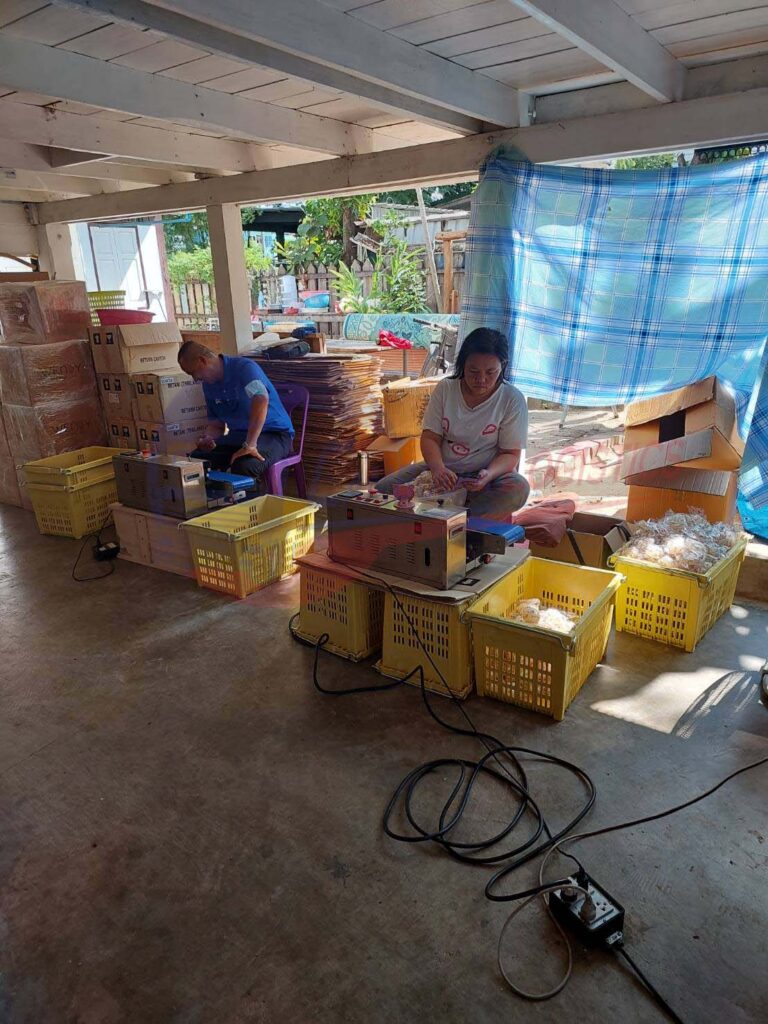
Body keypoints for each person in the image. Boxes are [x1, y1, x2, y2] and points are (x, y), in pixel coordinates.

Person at [376, 328, 529, 520]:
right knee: (381, 491)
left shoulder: (511, 399)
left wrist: (488, 474)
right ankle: (447, 515)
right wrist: (438, 469)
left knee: (518, 489)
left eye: (491, 372)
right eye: (473, 371)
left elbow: (510, 454)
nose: (481, 379)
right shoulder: (446, 389)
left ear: (503, 365)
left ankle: (459, 520)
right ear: (462, 364)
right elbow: (430, 437)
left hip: (486, 474)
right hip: (444, 469)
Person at [177, 340, 294, 488]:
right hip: (239, 436)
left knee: (245, 466)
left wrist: (250, 445)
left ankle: (252, 502)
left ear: (202, 361)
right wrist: (208, 438)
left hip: (273, 434)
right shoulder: (208, 385)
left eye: (193, 372)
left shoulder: (244, 368)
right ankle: (218, 501)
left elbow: (260, 398)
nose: (195, 378)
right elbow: (216, 425)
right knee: (197, 461)